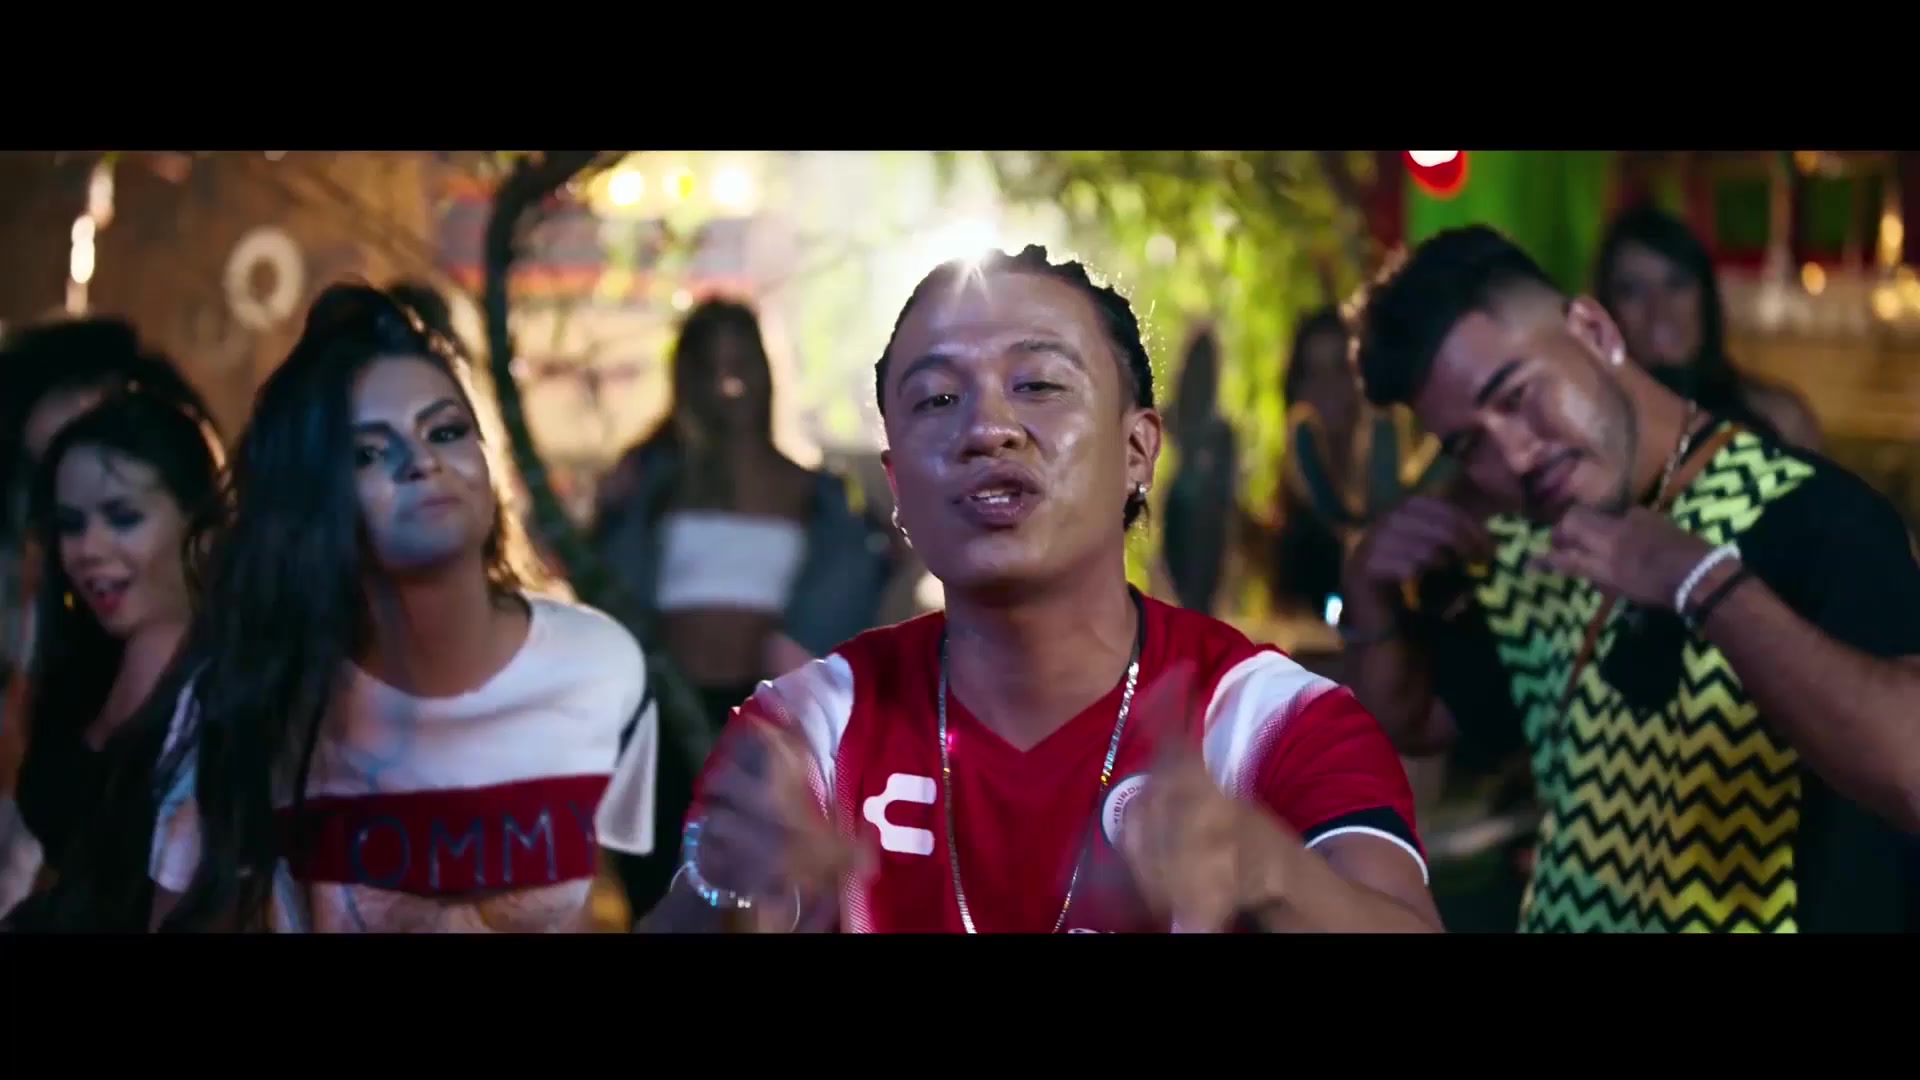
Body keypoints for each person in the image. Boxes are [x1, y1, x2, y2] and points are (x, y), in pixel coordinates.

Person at [635, 245, 1440, 934]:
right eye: (937, 399)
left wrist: (1273, 875)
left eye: (1040, 386)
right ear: (898, 487)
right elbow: (699, 906)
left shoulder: (1272, 722)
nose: (987, 429)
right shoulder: (806, 735)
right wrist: (729, 901)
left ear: (1137, 450)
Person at [1342, 224, 1920, 932]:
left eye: (1518, 397)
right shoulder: (1539, 539)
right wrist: (1367, 590)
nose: (1514, 454)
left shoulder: (1808, 516)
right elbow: (1418, 719)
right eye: (1469, 444)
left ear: (1594, 330)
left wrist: (1703, 584)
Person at [144, 283, 657, 932]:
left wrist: (728, 880)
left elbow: (603, 911)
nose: (421, 461)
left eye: (445, 431)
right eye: (368, 452)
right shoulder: (250, 693)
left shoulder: (595, 664)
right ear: (314, 495)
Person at [589, 297, 894, 911]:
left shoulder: (822, 495)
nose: (728, 382)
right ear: (686, 380)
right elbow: (602, 585)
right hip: (663, 719)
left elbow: (863, 591)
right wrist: (607, 510)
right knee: (661, 891)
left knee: (766, 895)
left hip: (770, 726)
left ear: (766, 371)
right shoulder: (650, 486)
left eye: (741, 362)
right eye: (709, 365)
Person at [0, 320, 218, 921]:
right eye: (70, 523)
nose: (88, 548)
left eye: (122, 516)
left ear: (197, 517)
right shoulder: (83, 649)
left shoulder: (216, 677)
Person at [1594, 203, 1821, 449]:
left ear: (1706, 296)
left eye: (1676, 283)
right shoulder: (1598, 433)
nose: (1659, 309)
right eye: (1633, 290)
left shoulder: (1780, 419)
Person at [1159, 327, 1237, 615]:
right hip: (1184, 509)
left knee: (1197, 590)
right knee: (1186, 587)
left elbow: (1224, 486)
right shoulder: (1180, 418)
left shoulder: (1219, 431)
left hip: (1204, 514)